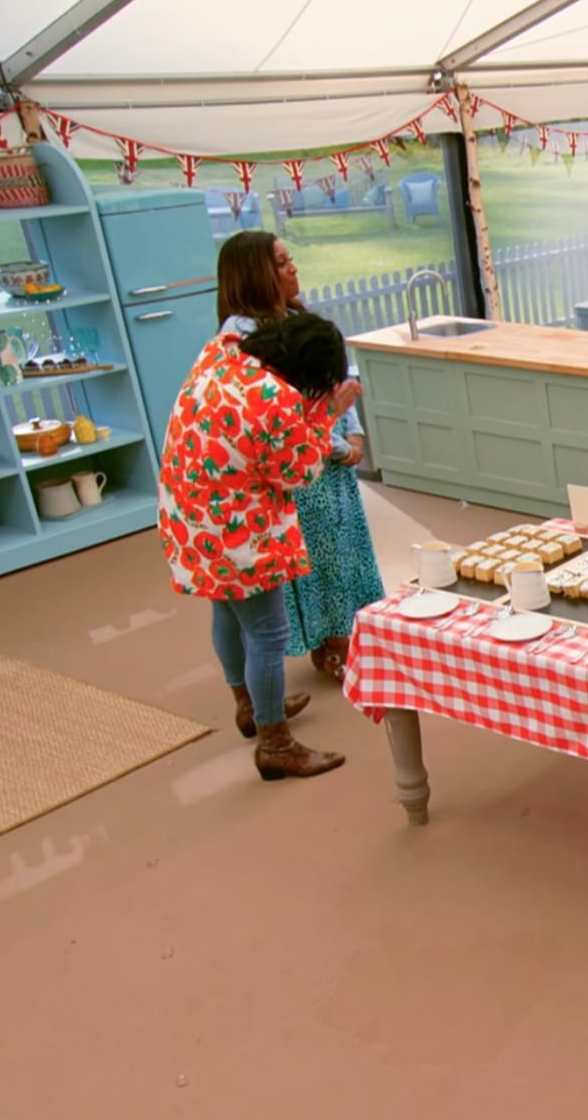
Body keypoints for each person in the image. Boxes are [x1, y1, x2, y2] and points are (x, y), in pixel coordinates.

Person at [158, 313, 363, 780]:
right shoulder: (277, 399)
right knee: (268, 632)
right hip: (238, 533)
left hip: (189, 513)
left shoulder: (223, 350)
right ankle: (275, 743)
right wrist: (328, 410)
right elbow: (300, 471)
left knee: (226, 612)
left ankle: (249, 704)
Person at [215, 231, 385, 685]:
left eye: (292, 260)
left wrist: (355, 432)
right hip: (303, 471)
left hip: (330, 462)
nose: (293, 270)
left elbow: (333, 380)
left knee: (343, 552)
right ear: (255, 275)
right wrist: (336, 445)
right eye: (282, 263)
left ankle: (343, 638)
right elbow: (281, 415)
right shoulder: (245, 338)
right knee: (321, 560)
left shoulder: (292, 315)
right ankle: (329, 645)